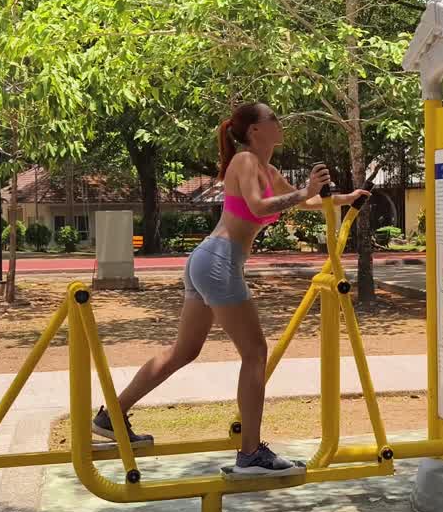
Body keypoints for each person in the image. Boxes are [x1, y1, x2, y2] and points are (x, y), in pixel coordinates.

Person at [93, 102, 370, 476]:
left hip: (211, 260)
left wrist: (344, 198)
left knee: (183, 351)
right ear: (255, 130)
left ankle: (111, 415)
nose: (280, 122)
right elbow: (258, 206)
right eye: (274, 118)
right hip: (219, 260)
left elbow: (304, 202)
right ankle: (251, 453)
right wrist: (305, 190)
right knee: (255, 353)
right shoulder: (244, 161)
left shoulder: (268, 170)